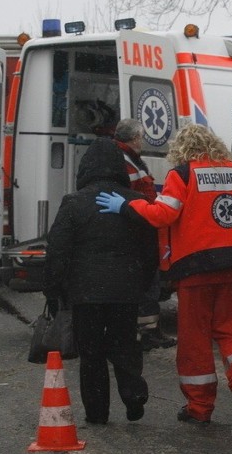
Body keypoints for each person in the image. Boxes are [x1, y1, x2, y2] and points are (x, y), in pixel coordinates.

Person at [96, 124, 232, 424]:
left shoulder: (183, 174)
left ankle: (199, 408)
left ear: (182, 149)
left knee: (195, 340)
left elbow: (164, 214)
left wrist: (127, 207)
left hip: (197, 269)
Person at [44, 137, 158, 424]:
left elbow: (57, 250)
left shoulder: (73, 203)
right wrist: (145, 284)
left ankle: (97, 412)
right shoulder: (136, 202)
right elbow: (149, 249)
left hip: (86, 293)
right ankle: (133, 394)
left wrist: (54, 291)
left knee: (91, 353)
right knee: (124, 344)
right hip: (126, 289)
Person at [113, 118, 177, 352]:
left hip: (141, 224)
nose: (142, 141)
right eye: (140, 137)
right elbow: (134, 194)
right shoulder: (125, 160)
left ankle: (147, 331)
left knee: (147, 284)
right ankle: (147, 333)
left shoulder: (129, 158)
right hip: (138, 226)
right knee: (147, 283)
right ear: (135, 138)